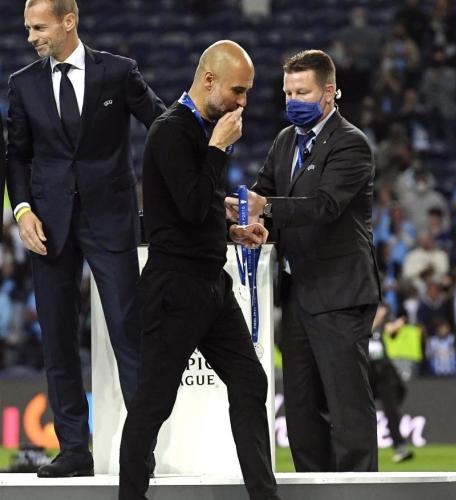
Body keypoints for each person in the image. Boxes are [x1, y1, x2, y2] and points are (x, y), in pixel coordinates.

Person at [6, 0, 165, 477]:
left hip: (110, 220)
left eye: (39, 27)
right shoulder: (22, 83)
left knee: (128, 334)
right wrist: (22, 210)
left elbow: (160, 124)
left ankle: (140, 450)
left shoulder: (117, 72)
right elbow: (17, 156)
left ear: (68, 21)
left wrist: (204, 153)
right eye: (27, 28)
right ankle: (74, 449)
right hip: (48, 226)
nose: (31, 37)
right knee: (56, 339)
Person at [117, 41, 278, 500]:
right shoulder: (172, 130)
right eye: (238, 90)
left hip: (211, 284)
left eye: (247, 92)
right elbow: (188, 207)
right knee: (153, 403)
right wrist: (218, 149)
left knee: (250, 381)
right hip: (174, 288)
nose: (243, 102)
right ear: (209, 80)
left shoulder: (201, 132)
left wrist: (231, 231)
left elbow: (193, 209)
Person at [240, 49, 382, 472]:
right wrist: (246, 219)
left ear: (329, 92)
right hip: (297, 294)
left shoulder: (351, 144)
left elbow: (324, 206)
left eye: (302, 92)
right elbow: (262, 192)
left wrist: (265, 207)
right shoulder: (285, 141)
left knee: (346, 406)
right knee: (301, 412)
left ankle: (359, 493)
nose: (293, 101)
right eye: (288, 93)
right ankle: (312, 489)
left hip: (340, 294)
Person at [369, 304, 415, 463]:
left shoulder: (383, 321)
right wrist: (377, 317)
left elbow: (391, 330)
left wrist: (395, 324)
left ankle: (400, 447)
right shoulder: (359, 319)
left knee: (392, 411)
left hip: (383, 372)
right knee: (358, 411)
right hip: (363, 373)